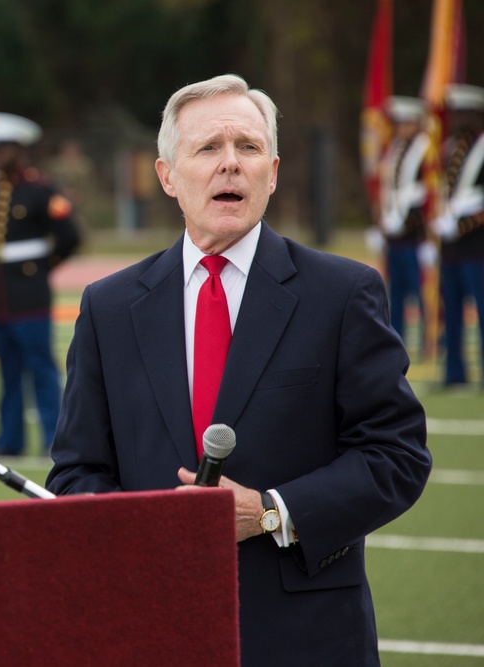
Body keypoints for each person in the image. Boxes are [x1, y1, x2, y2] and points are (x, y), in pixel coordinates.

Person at [46, 75, 431, 665]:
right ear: (167, 176)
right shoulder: (109, 306)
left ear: (272, 173)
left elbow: (397, 455)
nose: (231, 164)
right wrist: (141, 528)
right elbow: (76, 472)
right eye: (208, 149)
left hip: (304, 633)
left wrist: (274, 511)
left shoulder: (342, 293)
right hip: (153, 626)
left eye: (248, 148)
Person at [0, 112, 81, 457]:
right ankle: (10, 439)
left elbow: (70, 237)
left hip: (30, 293)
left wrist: (40, 268)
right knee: (7, 371)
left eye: (2, 148)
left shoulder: (41, 189)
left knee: (41, 370)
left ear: (19, 150)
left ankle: (54, 436)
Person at [431, 84, 484, 388]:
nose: (459, 118)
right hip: (451, 246)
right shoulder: (451, 147)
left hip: (477, 245)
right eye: (456, 112)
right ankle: (454, 373)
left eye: (465, 113)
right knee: (450, 310)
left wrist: (465, 221)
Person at [376, 96, 432, 350]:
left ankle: (428, 339)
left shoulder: (425, 149)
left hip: (415, 233)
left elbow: (429, 191)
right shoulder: (396, 149)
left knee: (420, 290)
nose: (401, 129)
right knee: (395, 293)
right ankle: (396, 338)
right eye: (399, 124)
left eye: (407, 123)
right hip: (395, 233)